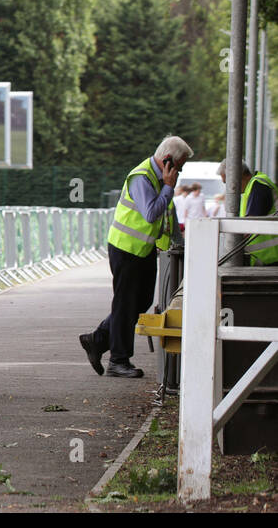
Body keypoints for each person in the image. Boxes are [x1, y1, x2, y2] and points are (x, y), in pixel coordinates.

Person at [80, 135, 193, 379]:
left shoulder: (158, 177)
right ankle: (118, 361)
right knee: (125, 304)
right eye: (180, 166)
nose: (180, 172)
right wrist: (169, 187)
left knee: (139, 304)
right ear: (167, 161)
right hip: (126, 249)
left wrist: (179, 243)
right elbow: (152, 213)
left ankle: (98, 339)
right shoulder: (142, 177)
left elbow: (168, 213)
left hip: (143, 250)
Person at [217, 161, 278, 264]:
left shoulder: (258, 187)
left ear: (236, 176)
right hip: (265, 257)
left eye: (227, 182)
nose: (228, 188)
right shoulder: (255, 185)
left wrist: (229, 242)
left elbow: (250, 224)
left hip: (268, 258)